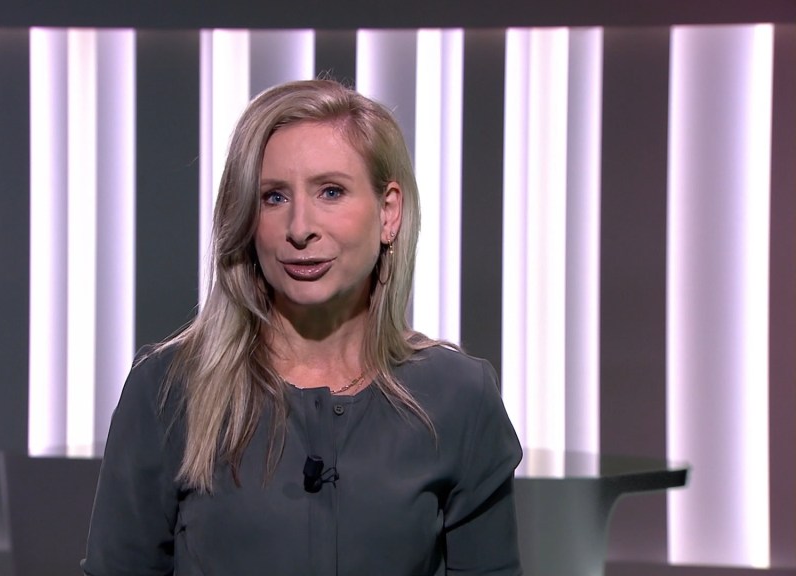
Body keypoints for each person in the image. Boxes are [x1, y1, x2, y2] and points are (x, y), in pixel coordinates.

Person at [81, 79, 522, 576]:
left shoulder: (458, 397)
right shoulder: (167, 390)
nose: (299, 228)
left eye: (331, 191)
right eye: (273, 197)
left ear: (388, 213)